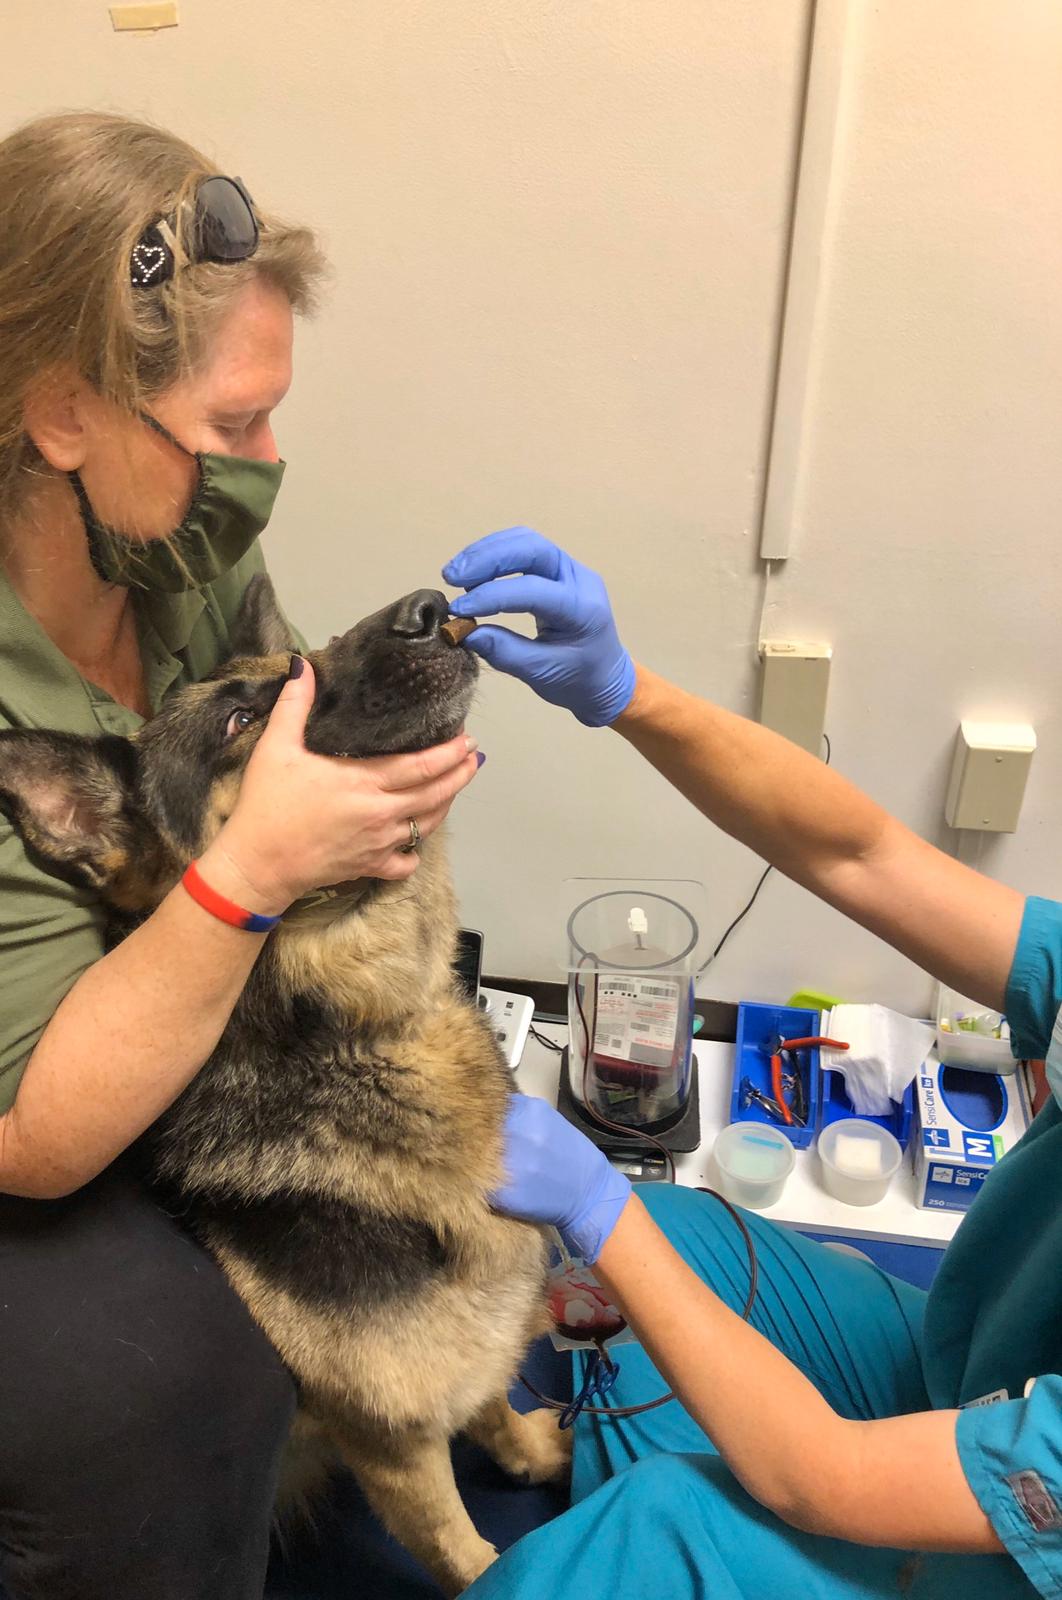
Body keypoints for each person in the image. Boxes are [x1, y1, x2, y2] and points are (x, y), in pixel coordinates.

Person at [0, 112, 482, 1600]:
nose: (268, 466)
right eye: (232, 430)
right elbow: (35, 1137)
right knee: (173, 1392)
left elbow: (282, 749)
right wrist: (250, 875)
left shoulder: (172, 544)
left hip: (162, 993)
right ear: (62, 413)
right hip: (25, 1113)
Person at [441, 527, 1061, 1600]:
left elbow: (826, 1476)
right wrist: (628, 692)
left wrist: (599, 1202)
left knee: (659, 1526)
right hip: (959, 1374)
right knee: (672, 1252)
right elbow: (857, 853)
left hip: (991, 1555)